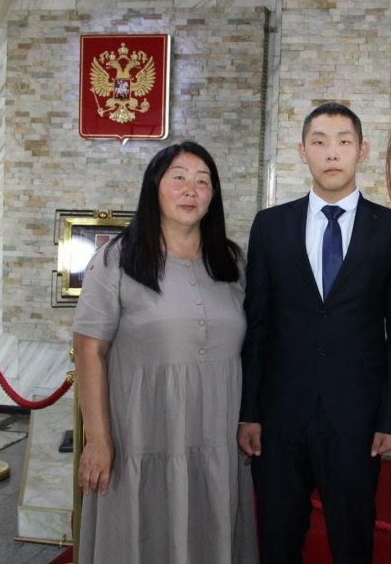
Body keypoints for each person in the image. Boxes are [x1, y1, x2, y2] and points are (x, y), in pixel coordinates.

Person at [237, 102, 391, 563]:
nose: (332, 153)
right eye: (319, 142)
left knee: (352, 541)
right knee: (277, 540)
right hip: (280, 415)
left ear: (363, 150)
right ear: (303, 152)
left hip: (357, 416)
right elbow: (257, 325)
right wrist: (249, 412)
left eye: (344, 142)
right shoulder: (270, 225)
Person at [73, 141, 256, 563]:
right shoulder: (116, 260)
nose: (191, 189)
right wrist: (97, 438)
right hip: (143, 432)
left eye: (202, 181)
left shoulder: (231, 262)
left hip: (216, 433)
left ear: (212, 197)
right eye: (179, 178)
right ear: (153, 188)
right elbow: (88, 349)